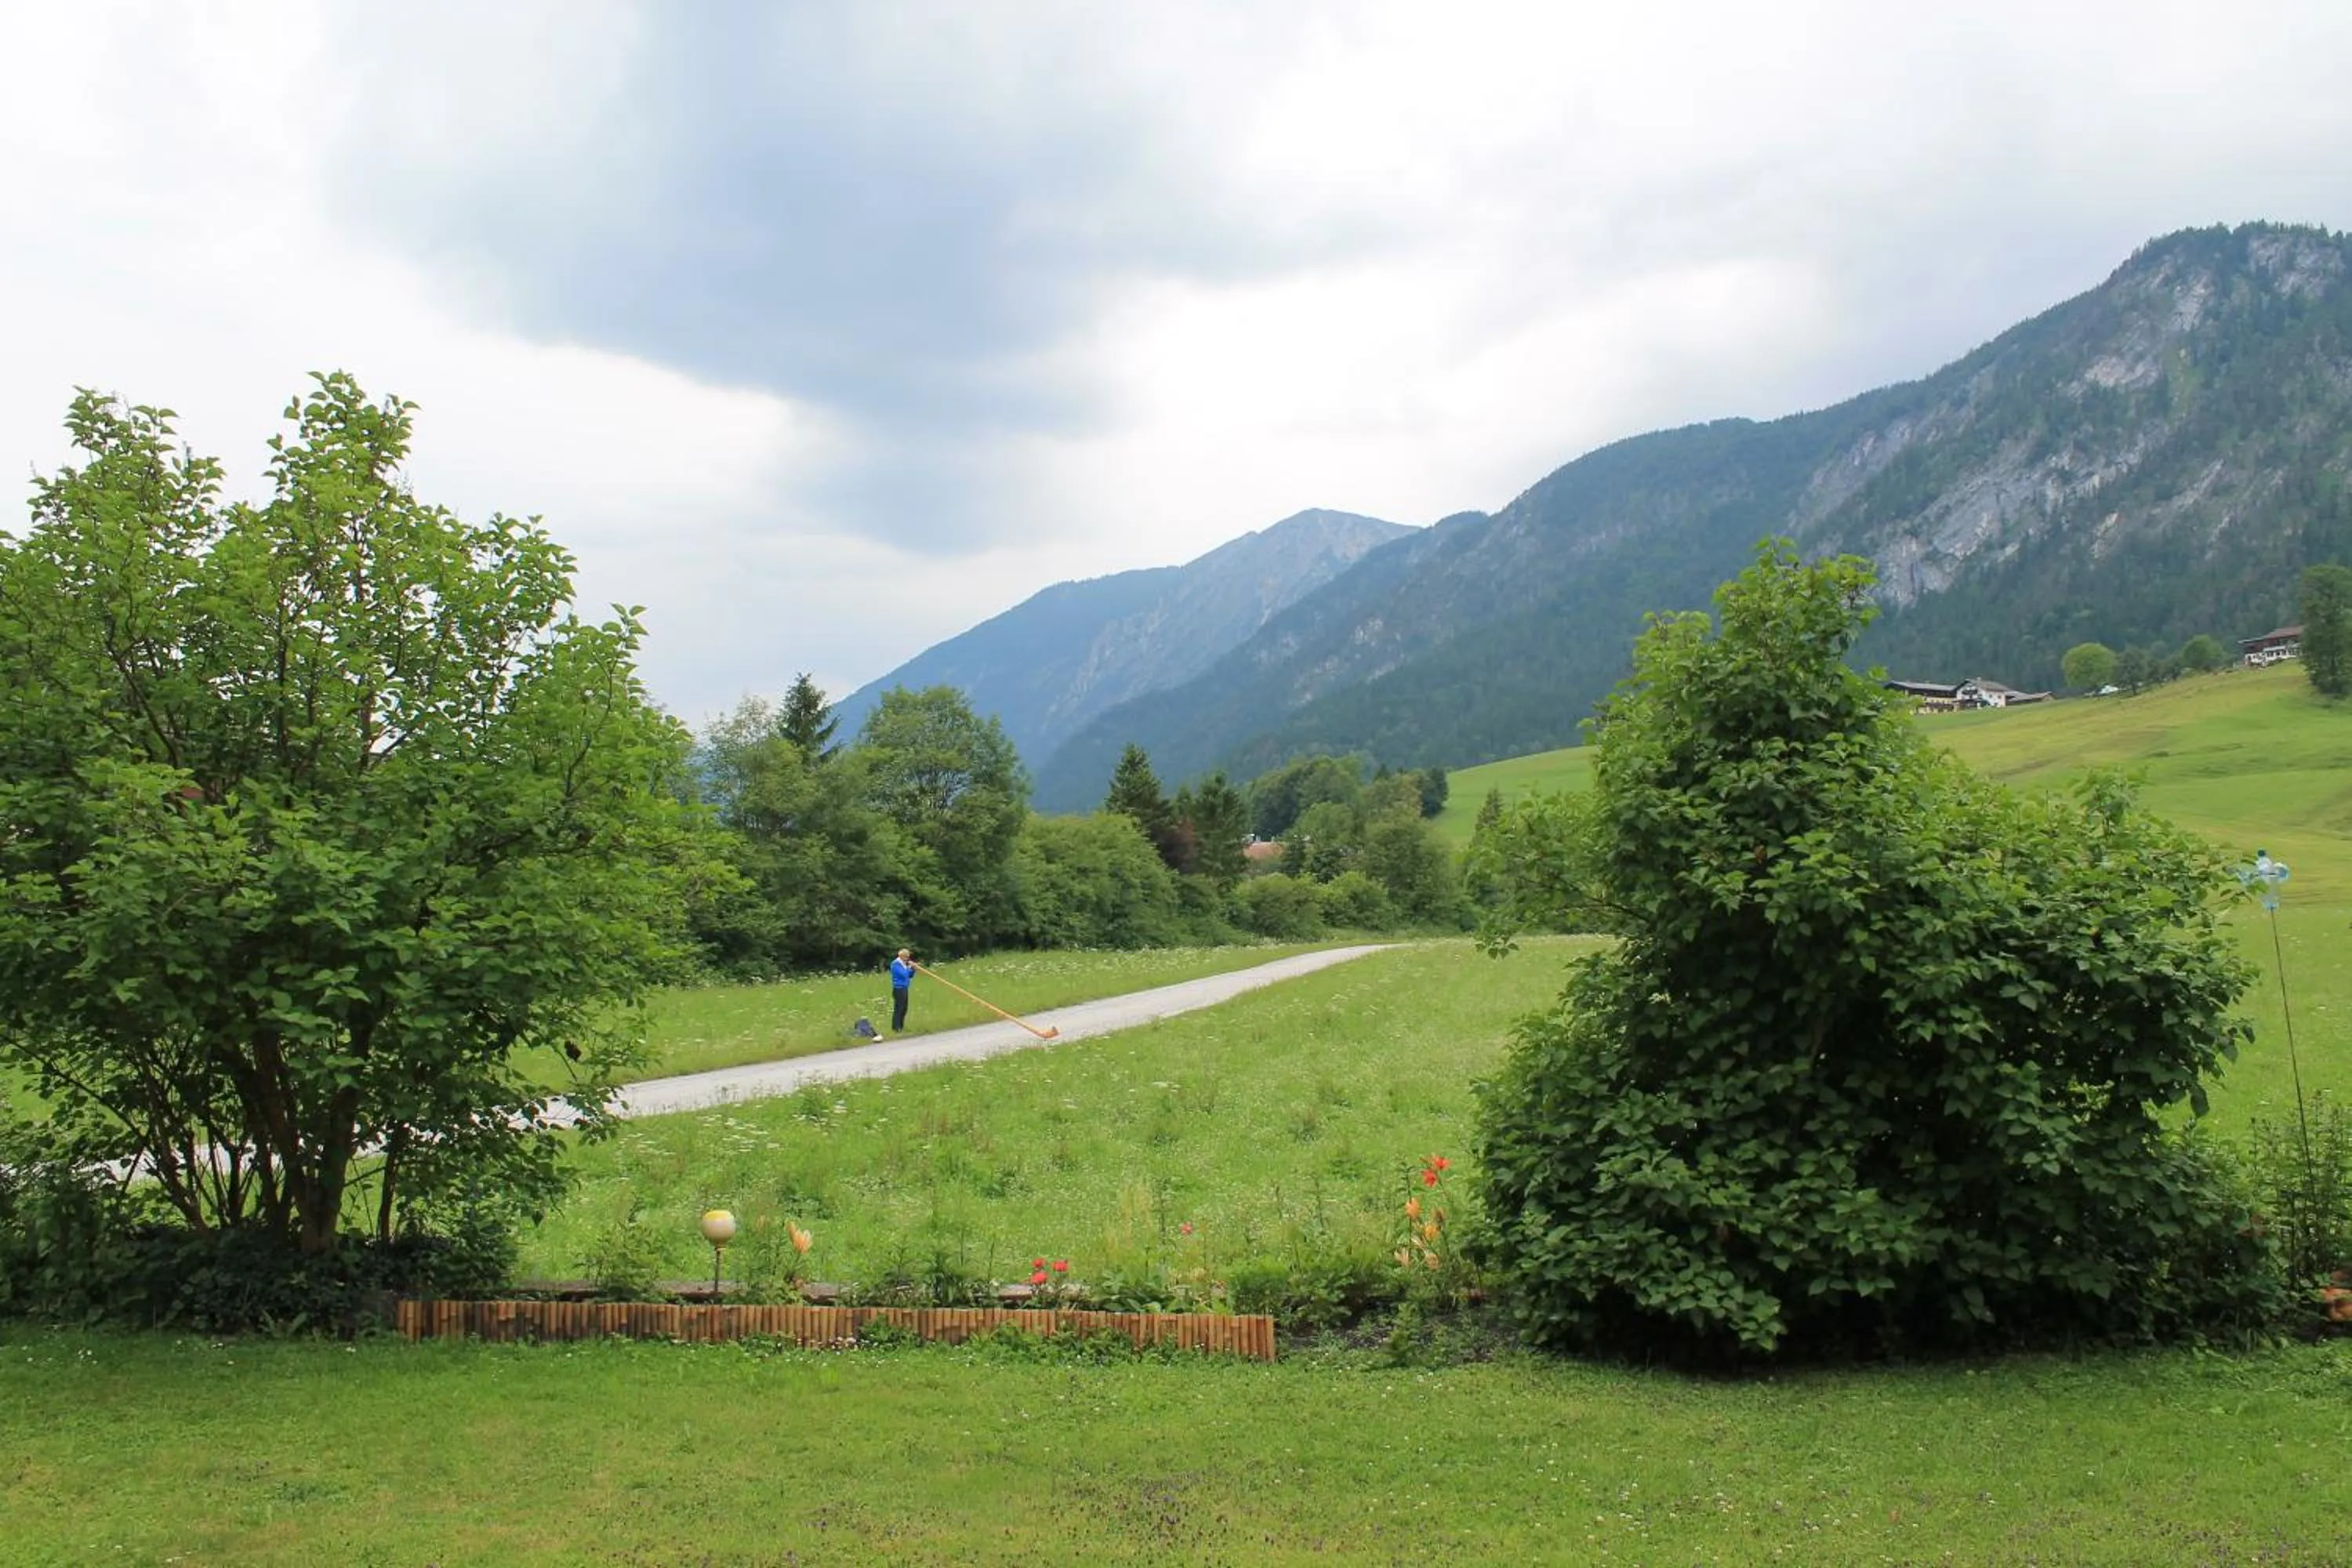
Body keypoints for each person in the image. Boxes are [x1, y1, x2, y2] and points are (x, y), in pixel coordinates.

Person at [888, 948, 915, 1034]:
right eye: (906, 957)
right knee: (899, 1008)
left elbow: (909, 975)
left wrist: (913, 969)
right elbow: (903, 975)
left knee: (904, 1008)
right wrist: (909, 967)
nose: (907, 959)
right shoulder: (896, 964)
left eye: (908, 957)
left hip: (905, 988)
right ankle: (896, 1028)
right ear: (902, 956)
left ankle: (901, 1027)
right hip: (899, 989)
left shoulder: (904, 964)